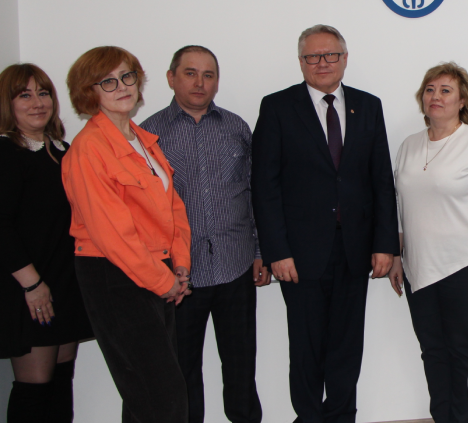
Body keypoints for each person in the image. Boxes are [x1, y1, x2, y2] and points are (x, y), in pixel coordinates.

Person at [252, 25, 399, 423]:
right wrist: (276, 251)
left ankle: (341, 417)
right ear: (301, 62)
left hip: (355, 250)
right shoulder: (278, 107)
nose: (322, 63)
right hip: (299, 256)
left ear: (344, 59)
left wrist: (385, 244)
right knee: (306, 347)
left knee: (347, 347)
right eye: (312, 56)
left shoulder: (368, 106)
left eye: (330, 55)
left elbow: (381, 181)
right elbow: (264, 187)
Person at [61, 46, 191, 423]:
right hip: (114, 276)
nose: (121, 86)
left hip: (155, 270)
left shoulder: (141, 139)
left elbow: (173, 209)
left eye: (127, 76)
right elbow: (112, 233)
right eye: (108, 81)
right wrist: (163, 281)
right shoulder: (89, 148)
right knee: (163, 399)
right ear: (88, 91)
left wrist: (180, 265)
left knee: (146, 396)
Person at [141, 46, 268, 423]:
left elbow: (255, 193)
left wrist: (259, 251)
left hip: (236, 265)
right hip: (180, 275)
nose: (200, 82)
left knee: (242, 366)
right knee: (181, 371)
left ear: (217, 81)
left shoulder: (236, 127)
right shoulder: (148, 134)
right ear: (171, 78)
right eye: (190, 73)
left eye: (208, 75)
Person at [388, 62, 468, 423]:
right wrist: (397, 256)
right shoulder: (409, 145)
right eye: (430, 89)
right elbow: (400, 206)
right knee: (433, 351)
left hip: (464, 266)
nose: (435, 96)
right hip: (417, 269)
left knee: (463, 350)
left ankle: (465, 417)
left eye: (445, 90)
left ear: (462, 100)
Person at [1, 64, 93, 423]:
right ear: (7, 104)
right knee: (35, 388)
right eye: (24, 95)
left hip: (64, 285)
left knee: (60, 382)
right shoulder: (7, 152)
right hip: (29, 289)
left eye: (43, 93)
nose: (37, 102)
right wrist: (33, 285)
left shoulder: (62, 150)